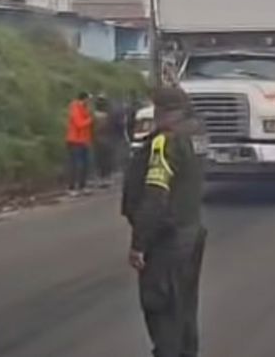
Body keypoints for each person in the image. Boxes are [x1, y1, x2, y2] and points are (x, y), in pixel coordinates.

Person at [122, 86, 207, 357]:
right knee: (184, 309)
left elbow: (156, 195)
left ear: (164, 111)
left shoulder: (165, 143)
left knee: (162, 312)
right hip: (190, 233)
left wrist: (139, 244)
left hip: (167, 241)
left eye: (157, 109)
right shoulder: (195, 135)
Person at [65, 92, 93, 195]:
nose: (89, 102)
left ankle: (82, 186)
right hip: (75, 141)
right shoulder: (75, 108)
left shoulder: (85, 109)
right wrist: (90, 120)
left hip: (83, 141)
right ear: (84, 99)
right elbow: (79, 123)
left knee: (84, 165)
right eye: (88, 100)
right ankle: (71, 188)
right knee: (76, 165)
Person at [92, 95, 116, 188]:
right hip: (106, 139)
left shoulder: (94, 115)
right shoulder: (108, 116)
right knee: (106, 159)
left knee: (100, 159)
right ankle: (105, 177)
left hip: (99, 139)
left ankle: (102, 177)